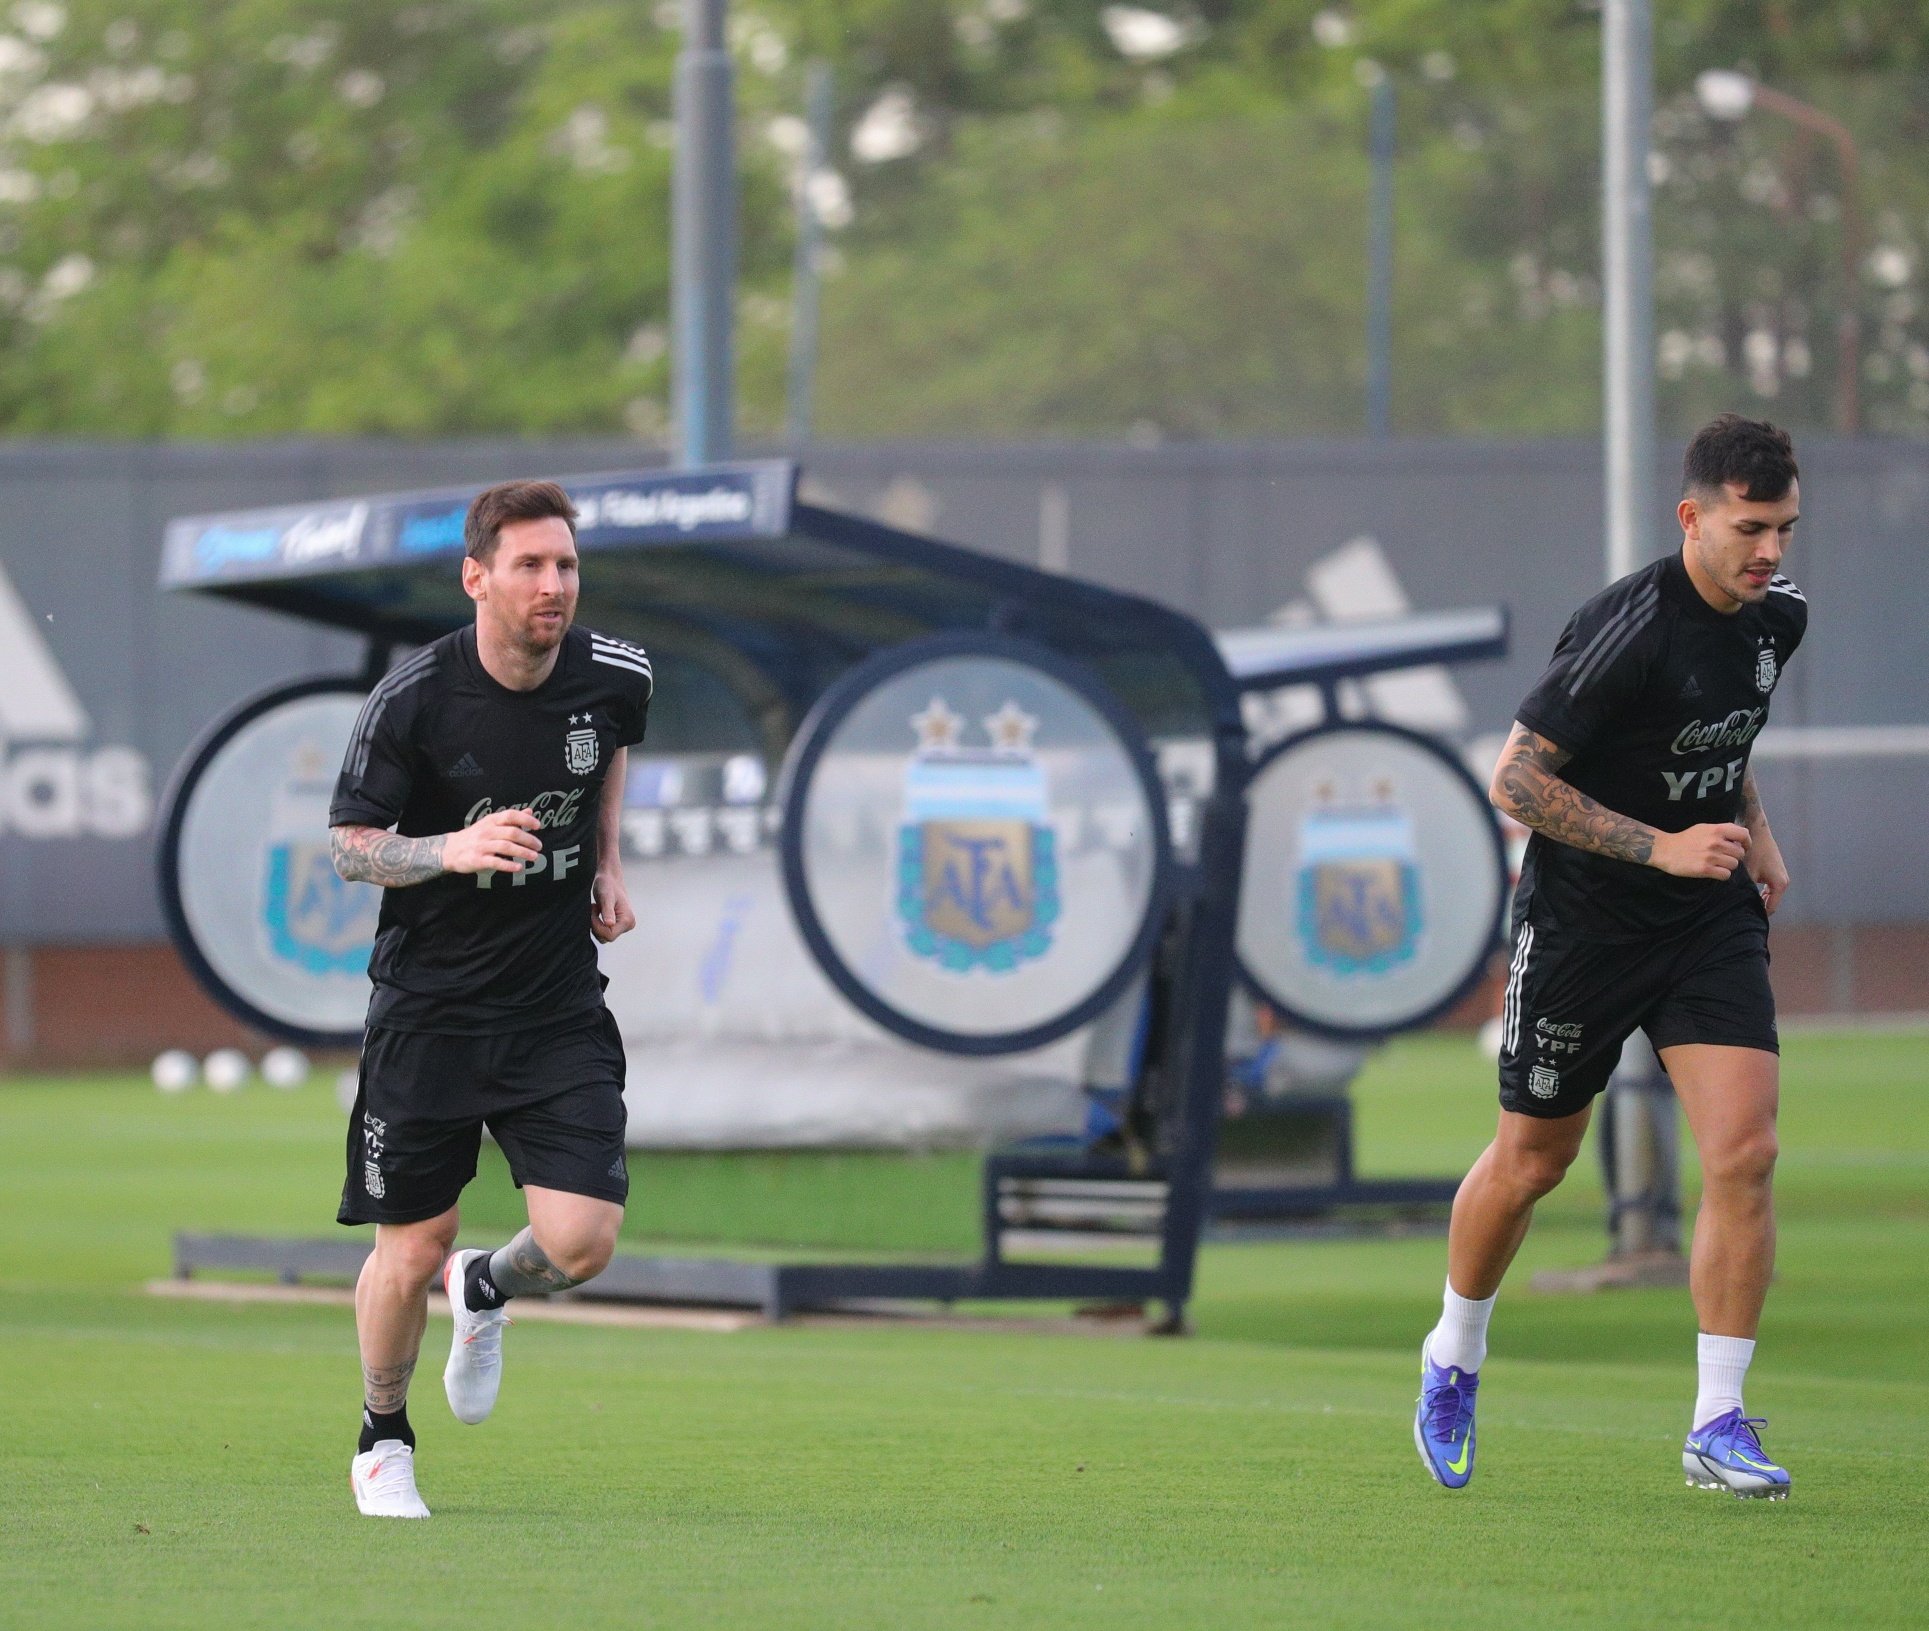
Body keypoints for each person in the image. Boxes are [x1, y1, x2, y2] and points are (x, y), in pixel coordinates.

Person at [1414, 415, 1806, 1499]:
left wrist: (1749, 826)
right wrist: (1661, 843)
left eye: (1783, 527)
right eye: (1748, 527)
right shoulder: (1628, 627)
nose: (1769, 550)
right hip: (1585, 925)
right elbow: (1518, 779)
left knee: (1746, 1150)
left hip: (1704, 921)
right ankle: (1454, 1353)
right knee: (1534, 1162)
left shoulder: (1779, 620)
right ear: (1692, 518)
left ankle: (1717, 1419)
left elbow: (1724, 730)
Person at [328, 479, 651, 1518]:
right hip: (429, 1011)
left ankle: (489, 1289)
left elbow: (609, 753)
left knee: (581, 1241)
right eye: (529, 565)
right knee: (409, 1244)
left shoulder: (618, 673)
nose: (553, 584)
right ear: (478, 577)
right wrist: (448, 847)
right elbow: (347, 848)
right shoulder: (415, 696)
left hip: (554, 1005)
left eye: (565, 564)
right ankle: (383, 1437)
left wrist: (605, 860)